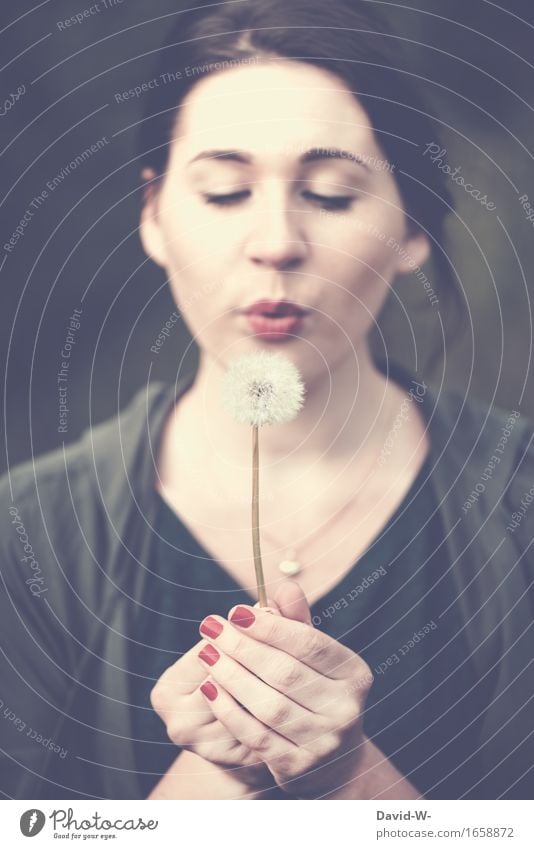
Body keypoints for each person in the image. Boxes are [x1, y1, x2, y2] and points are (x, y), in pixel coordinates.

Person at [1, 0, 533, 801]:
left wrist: (347, 773)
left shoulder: (518, 499)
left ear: (414, 223)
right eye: (223, 192)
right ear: (153, 213)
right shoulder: (31, 531)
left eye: (329, 193)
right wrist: (219, 767)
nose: (277, 240)